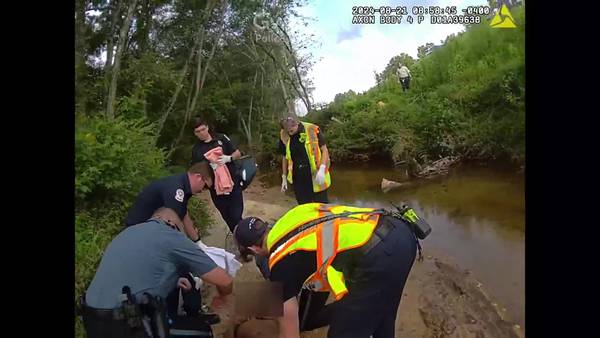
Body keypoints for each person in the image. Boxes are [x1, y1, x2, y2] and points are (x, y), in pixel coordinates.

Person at [233, 202, 418, 338]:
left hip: (378, 255)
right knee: (384, 313)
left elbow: (290, 330)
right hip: (399, 231)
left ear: (253, 250)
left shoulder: (280, 262)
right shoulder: (294, 215)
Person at [80, 207, 234, 338]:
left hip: (92, 319)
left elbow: (136, 270)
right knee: (202, 331)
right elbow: (224, 280)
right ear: (172, 224)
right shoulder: (170, 235)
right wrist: (224, 299)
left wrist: (172, 280)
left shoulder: (128, 232)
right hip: (126, 324)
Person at [124, 161, 213, 242]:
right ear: (198, 177)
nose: (203, 190)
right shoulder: (176, 188)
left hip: (148, 231)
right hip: (138, 234)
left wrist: (197, 241)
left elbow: (183, 215)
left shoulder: (183, 185)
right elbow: (173, 225)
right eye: (205, 186)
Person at [191, 118, 244, 233]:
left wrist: (228, 158)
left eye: (203, 129)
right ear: (195, 133)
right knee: (228, 218)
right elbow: (196, 171)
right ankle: (238, 239)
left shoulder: (221, 138)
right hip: (215, 190)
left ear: (207, 127)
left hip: (232, 184)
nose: (202, 133)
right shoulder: (197, 150)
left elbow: (238, 153)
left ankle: (245, 239)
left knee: (237, 216)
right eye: (198, 132)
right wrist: (209, 168)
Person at [279, 116, 331, 205]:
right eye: (287, 131)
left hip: (316, 175)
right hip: (298, 178)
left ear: (297, 124)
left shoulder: (312, 129)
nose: (289, 133)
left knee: (322, 207)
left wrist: (322, 169)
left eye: (291, 130)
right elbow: (285, 156)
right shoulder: (284, 134)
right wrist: (284, 177)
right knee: (304, 206)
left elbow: (324, 150)